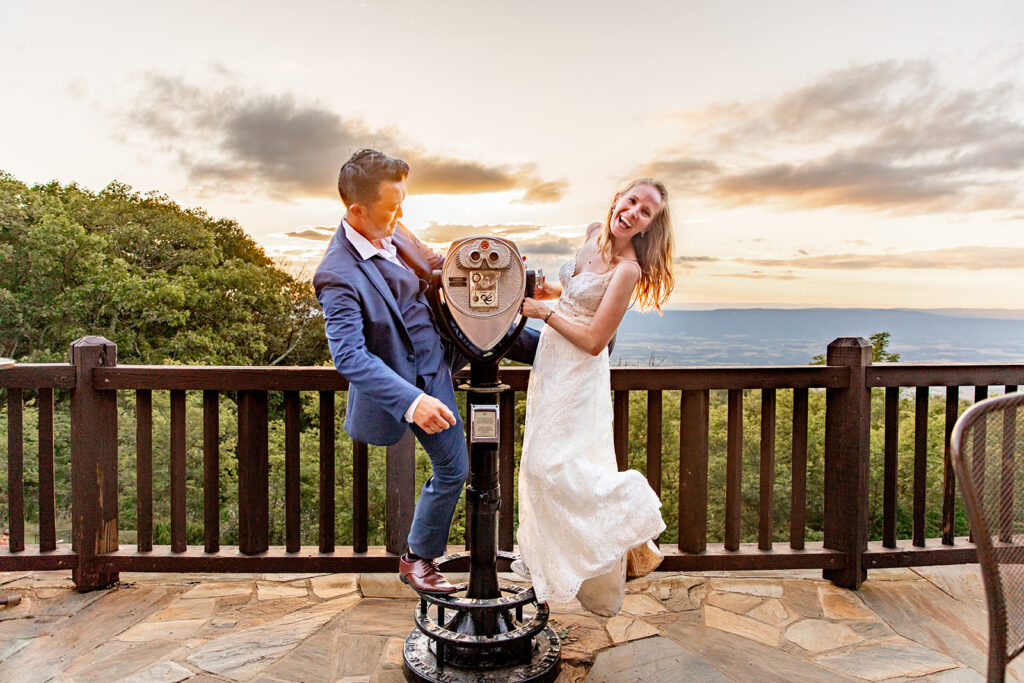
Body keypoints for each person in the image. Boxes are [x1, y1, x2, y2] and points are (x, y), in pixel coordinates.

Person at [314, 149, 539, 594]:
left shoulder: (393, 228)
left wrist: (492, 271)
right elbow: (350, 357)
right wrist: (414, 403)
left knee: (525, 338)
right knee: (455, 468)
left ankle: (584, 345)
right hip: (419, 382)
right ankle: (417, 558)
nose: (400, 214)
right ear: (356, 210)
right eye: (391, 207)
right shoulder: (336, 274)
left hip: (450, 341)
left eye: (401, 202)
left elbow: (436, 264)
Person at [516, 178, 675, 616]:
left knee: (551, 465)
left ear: (647, 227)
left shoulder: (629, 270)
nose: (633, 212)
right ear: (617, 200)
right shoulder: (591, 234)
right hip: (549, 367)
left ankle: (630, 508)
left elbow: (593, 340)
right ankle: (557, 564)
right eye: (632, 201)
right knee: (534, 466)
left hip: (578, 373)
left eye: (645, 212)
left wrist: (544, 313)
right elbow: (574, 293)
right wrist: (544, 291)